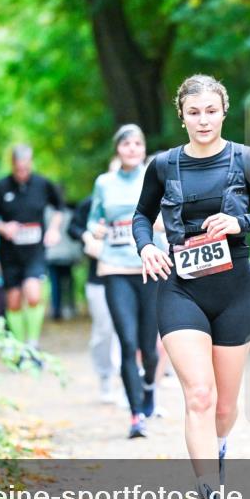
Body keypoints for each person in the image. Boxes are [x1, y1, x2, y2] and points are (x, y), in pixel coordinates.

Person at [133, 74, 250, 499]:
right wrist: (146, 247)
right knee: (199, 395)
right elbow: (143, 216)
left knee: (224, 406)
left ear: (224, 111)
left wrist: (240, 224)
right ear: (182, 116)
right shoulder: (163, 165)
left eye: (211, 111)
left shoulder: (247, 159)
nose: (203, 120)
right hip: (181, 287)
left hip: (235, 289)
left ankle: (219, 449)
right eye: (194, 112)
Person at [88, 124, 164, 438]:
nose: (132, 148)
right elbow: (93, 219)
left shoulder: (156, 177)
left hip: (150, 267)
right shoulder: (104, 183)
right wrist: (97, 230)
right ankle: (136, 416)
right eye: (126, 144)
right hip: (115, 269)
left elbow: (171, 215)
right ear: (118, 149)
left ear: (144, 148)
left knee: (148, 348)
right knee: (128, 342)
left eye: (137, 143)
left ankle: (149, 387)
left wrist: (160, 224)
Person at [0, 144, 64, 351]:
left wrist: (54, 229)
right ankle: (19, 347)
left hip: (35, 251)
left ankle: (33, 343)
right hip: (10, 253)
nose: (22, 173)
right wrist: (3, 227)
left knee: (34, 294)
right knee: (13, 301)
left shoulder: (42, 184)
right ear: (12, 165)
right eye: (18, 169)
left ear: (31, 163)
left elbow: (59, 208)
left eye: (26, 169)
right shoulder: (1, 186)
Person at [68, 194, 122, 404]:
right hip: (99, 278)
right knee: (104, 329)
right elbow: (72, 228)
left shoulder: (139, 198)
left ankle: (128, 382)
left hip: (130, 274)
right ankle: (105, 376)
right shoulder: (91, 203)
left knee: (127, 331)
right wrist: (87, 236)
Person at [45, 203, 81, 320]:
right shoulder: (70, 214)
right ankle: (70, 307)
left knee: (55, 284)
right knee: (68, 283)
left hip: (52, 255)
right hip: (67, 256)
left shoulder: (46, 213)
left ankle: (56, 310)